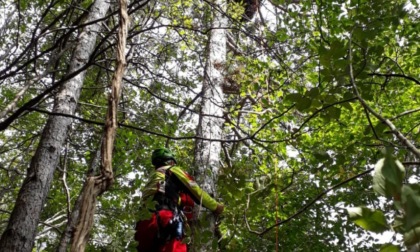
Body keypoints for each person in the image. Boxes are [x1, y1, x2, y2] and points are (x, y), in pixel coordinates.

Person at [134, 148, 224, 252]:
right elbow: (195, 190)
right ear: (170, 161)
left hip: (143, 225)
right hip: (164, 218)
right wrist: (216, 206)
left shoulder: (154, 179)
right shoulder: (172, 170)